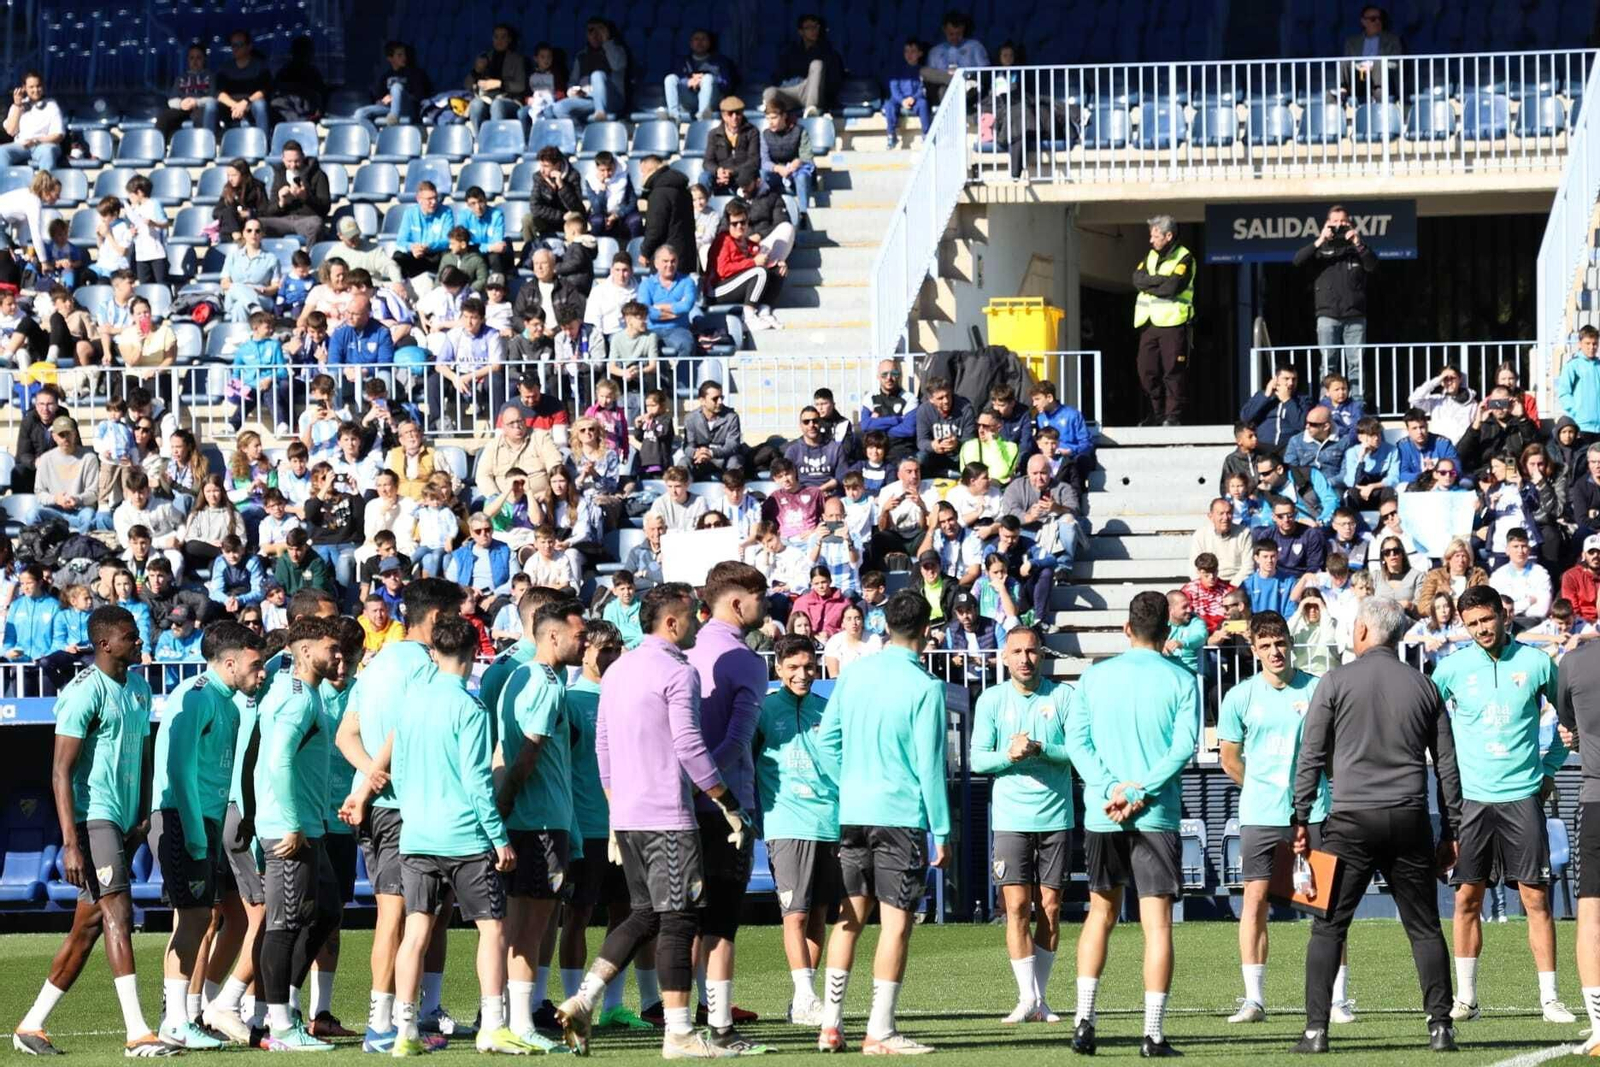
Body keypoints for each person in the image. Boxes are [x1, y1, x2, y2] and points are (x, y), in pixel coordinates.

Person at [554, 583, 754, 1059]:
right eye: (690, 617)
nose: (697, 625)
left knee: (645, 913)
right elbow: (688, 745)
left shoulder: (618, 670)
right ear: (670, 623)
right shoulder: (676, 672)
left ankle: (583, 999)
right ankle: (679, 1032)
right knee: (679, 919)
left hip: (627, 816)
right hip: (668, 816)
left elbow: (603, 746)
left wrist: (614, 807)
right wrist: (726, 800)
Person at [1292, 596, 1463, 1054]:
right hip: (1409, 816)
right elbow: (1446, 765)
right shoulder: (1424, 686)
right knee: (1424, 926)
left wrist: (1300, 816)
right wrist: (1452, 830)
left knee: (1328, 926)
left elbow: (1310, 755)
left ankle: (1315, 1032)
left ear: (1365, 631)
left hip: (1350, 819)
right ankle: (1441, 1026)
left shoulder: (1335, 681)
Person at [10, 607, 173, 1058]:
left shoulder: (139, 688)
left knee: (89, 926)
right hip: (92, 816)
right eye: (130, 636)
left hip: (123, 820)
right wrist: (70, 843)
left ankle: (31, 1025)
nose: (139, 641)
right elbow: (61, 772)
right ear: (104, 644)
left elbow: (143, 756)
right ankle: (139, 1033)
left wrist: (141, 817)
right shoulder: (84, 691)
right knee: (119, 911)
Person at [810, 589, 949, 1054]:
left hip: (853, 813)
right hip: (900, 817)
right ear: (926, 631)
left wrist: (845, 783)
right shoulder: (926, 687)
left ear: (884, 625)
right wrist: (942, 830)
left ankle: (830, 1024)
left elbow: (825, 742)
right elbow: (930, 766)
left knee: (848, 919)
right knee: (895, 925)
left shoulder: (853, 676)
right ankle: (880, 1030)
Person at [384, 612, 529, 1055]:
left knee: (415, 932)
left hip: (418, 834)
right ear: (473, 653)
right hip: (465, 837)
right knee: (492, 929)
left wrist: (415, 812)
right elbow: (477, 780)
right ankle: (493, 1026)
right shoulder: (470, 707)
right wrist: (498, 836)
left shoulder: (411, 703)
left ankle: (404, 1031)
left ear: (434, 652)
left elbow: (400, 770)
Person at [1063, 590, 1199, 1057]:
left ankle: (1084, 1022)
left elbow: (1078, 744)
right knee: (1157, 923)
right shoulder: (1182, 680)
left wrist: (1109, 790)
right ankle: (1153, 1034)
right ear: (1168, 633)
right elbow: (1183, 748)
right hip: (1154, 812)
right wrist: (1137, 791)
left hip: (1104, 812)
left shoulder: (1095, 677)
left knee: (1099, 912)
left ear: (1126, 628)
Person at [334, 578, 469, 1048]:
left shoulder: (376, 664)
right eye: (455, 615)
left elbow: (345, 735)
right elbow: (402, 727)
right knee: (397, 915)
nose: (461, 625)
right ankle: (380, 1023)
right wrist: (374, 783)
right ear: (436, 619)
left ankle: (425, 1010)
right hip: (403, 808)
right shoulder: (428, 667)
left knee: (431, 910)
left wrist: (367, 777)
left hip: (385, 805)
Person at [1429, 585, 1573, 1024]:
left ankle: (1550, 999)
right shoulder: (1450, 669)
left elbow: (1570, 718)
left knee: (1535, 897)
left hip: (1522, 798)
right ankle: (1467, 999)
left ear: (1503, 616)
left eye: (1486, 620)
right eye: (1471, 624)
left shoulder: (1535, 662)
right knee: (1466, 898)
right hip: (1472, 801)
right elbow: (1425, 719)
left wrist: (1548, 770)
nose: (1480, 629)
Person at [1216, 612, 1347, 1026]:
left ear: (1290, 643)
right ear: (1253, 650)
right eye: (1266, 645)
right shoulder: (1239, 696)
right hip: (1260, 815)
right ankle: (1253, 999)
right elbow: (1229, 758)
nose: (1275, 652)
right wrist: (1261, 787)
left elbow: (1335, 750)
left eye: (1281, 643)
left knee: (1324, 907)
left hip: (1314, 813)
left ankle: (1337, 1000)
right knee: (1254, 901)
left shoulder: (1317, 688)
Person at [147, 621, 266, 1048]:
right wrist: (197, 835)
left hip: (207, 822)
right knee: (195, 916)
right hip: (183, 819)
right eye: (256, 664)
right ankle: (174, 1020)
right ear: (229, 661)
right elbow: (179, 771)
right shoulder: (194, 698)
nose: (262, 672)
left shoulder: (229, 705)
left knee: (202, 916)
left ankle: (184, 1017)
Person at [684, 562, 772, 1050]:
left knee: (683, 920)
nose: (767, 605)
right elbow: (737, 741)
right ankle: (720, 1026)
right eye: (762, 597)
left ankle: (682, 1023)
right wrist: (710, 787)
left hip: (680, 806)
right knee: (720, 923)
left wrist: (690, 785)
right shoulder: (746, 661)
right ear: (738, 603)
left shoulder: (688, 653)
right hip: (725, 805)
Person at [493, 598, 588, 1051]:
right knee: (531, 928)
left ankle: (512, 1018)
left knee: (521, 927)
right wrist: (506, 805)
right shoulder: (545, 684)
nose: (584, 642)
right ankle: (522, 1023)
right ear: (553, 636)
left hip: (535, 820)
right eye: (579, 635)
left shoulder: (520, 677)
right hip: (541, 822)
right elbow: (526, 755)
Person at [970, 627, 1074, 1025]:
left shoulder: (1063, 697)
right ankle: (1025, 997)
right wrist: (1009, 756)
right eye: (1017, 651)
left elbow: (1080, 753)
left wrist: (1041, 749)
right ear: (1005, 657)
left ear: (1041, 656)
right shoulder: (992, 700)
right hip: (1011, 820)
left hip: (1056, 817)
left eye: (1031, 651)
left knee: (1050, 907)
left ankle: (1041, 998)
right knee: (1015, 907)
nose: (1025, 659)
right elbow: (979, 760)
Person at [754, 635, 839, 1024]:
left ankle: (802, 999)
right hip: (786, 822)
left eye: (808, 667)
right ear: (779, 669)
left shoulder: (830, 708)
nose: (802, 674)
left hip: (830, 822)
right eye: (793, 668)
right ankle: (806, 996)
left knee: (819, 916)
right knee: (796, 915)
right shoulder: (764, 710)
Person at [1293, 205, 1378, 402]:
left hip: (1355, 316)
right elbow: (1297, 261)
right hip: (1327, 315)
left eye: (1343, 222)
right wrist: (1321, 239)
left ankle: (1357, 402)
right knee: (1327, 362)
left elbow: (1372, 265)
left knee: (1355, 362)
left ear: (1350, 224)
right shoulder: (1320, 250)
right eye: (1335, 222)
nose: (1339, 226)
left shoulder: (1357, 249)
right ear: (1326, 224)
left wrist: (1358, 242)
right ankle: (1326, 401)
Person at [1132, 215, 1194, 427]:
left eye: (1155, 236)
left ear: (1168, 236)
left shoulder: (1184, 257)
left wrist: (1152, 284)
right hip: (1148, 323)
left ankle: (1172, 416)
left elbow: (1172, 287)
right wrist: (1158, 282)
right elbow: (1136, 280)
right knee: (1146, 371)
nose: (1151, 240)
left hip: (1173, 323)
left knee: (1172, 372)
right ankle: (1156, 413)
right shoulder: (1149, 256)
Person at [764, 13, 844, 117]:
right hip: (793, 91)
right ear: (801, 32)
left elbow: (834, 81)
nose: (813, 30)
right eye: (809, 28)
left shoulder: (828, 53)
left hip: (814, 94)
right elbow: (778, 77)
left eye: (816, 27)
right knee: (770, 92)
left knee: (817, 63)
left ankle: (811, 110)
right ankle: (775, 121)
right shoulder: (790, 52)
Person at [664, 28, 737, 123]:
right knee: (670, 78)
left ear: (709, 43)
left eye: (703, 39)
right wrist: (688, 82)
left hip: (712, 101)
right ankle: (673, 117)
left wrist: (704, 79)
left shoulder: (720, 61)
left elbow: (727, 85)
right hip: (688, 100)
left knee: (707, 78)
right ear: (691, 43)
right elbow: (678, 77)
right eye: (696, 39)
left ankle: (702, 118)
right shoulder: (682, 61)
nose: (700, 42)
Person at [463, 24, 526, 131]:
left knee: (497, 105)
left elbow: (521, 86)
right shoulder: (486, 57)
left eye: (503, 37)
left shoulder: (517, 59)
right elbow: (467, 85)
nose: (499, 40)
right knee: (476, 104)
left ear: (509, 40)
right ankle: (480, 141)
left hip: (509, 100)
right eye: (496, 37)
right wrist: (476, 71)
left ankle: (495, 141)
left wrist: (500, 84)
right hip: (487, 99)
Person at [1, 71, 65, 170]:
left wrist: (36, 141)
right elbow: (11, 131)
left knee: (47, 152)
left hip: (43, 144)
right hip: (22, 145)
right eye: (31, 87)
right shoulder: (17, 106)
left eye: (38, 86)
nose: (35, 90)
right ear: (24, 88)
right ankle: (5, 183)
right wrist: (18, 106)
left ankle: (45, 184)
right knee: (2, 152)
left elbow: (58, 135)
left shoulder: (51, 105)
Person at [1240, 365, 1309, 453]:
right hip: (1263, 445)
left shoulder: (1303, 400)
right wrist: (1266, 395)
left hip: (1289, 447)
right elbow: (1245, 417)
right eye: (1286, 378)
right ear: (1276, 380)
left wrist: (1287, 401)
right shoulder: (1262, 395)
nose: (1291, 383)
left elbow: (1301, 424)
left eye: (1294, 379)